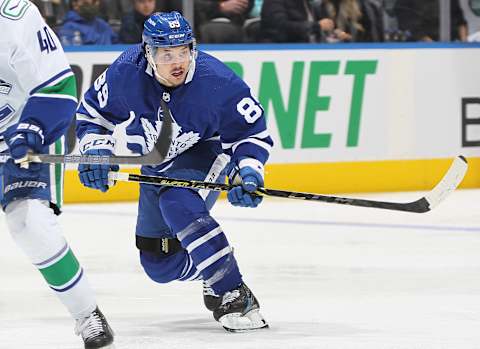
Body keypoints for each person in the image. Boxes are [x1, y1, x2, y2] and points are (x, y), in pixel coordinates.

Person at [75, 11, 272, 332]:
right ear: (148, 53)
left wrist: (248, 171)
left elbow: (250, 133)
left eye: (184, 50)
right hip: (155, 164)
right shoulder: (125, 72)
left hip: (205, 153)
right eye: (167, 54)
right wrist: (95, 152)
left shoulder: (218, 81)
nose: (177, 61)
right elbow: (94, 114)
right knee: (159, 264)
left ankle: (233, 290)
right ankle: (214, 265)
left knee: (177, 199)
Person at [0, 1, 114, 348]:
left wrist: (33, 128)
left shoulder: (13, 15)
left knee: (29, 222)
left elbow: (58, 86)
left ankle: (87, 314)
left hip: (19, 135)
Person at [260, 0, 335, 42]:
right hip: (284, 50)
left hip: (311, 49)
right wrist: (316, 26)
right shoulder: (274, 2)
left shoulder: (308, 4)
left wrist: (333, 33)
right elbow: (280, 26)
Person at [393, 0, 468, 42]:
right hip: (418, 49)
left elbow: (460, 21)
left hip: (450, 46)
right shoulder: (405, 3)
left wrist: (464, 44)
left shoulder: (449, 2)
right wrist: (433, 46)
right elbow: (409, 25)